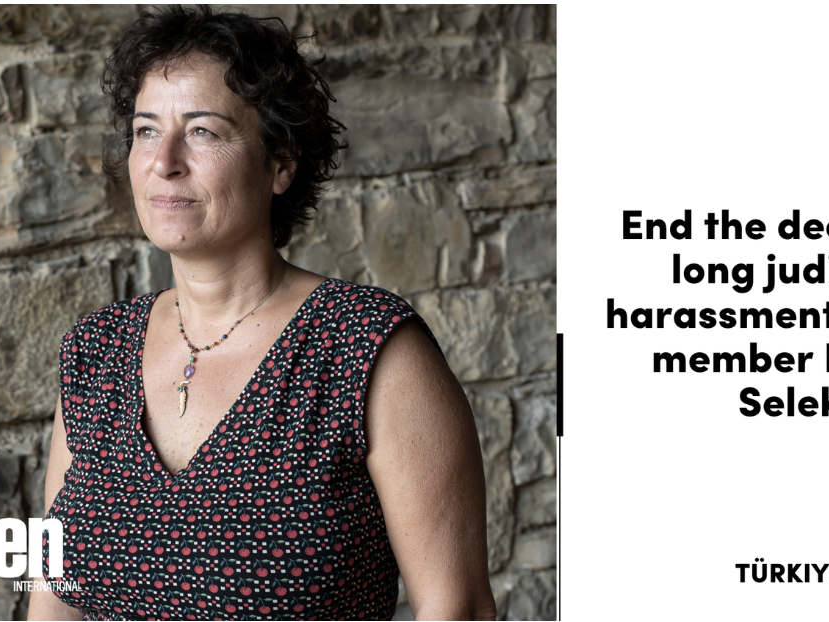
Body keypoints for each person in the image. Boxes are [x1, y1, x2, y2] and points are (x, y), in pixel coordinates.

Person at [27, 6, 496, 620]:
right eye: (146, 130)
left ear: (280, 164)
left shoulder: (366, 348)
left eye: (202, 131)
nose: (163, 161)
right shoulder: (96, 351)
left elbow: (457, 611)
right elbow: (52, 597)